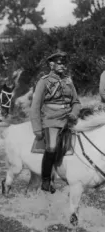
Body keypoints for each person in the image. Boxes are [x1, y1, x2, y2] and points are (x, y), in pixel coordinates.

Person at [30, 51, 81, 193]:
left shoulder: (68, 81)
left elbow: (76, 102)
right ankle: (46, 181)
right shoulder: (44, 81)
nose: (63, 66)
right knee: (51, 147)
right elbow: (35, 107)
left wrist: (74, 113)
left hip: (69, 118)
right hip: (51, 120)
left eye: (64, 63)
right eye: (60, 63)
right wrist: (37, 128)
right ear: (51, 64)